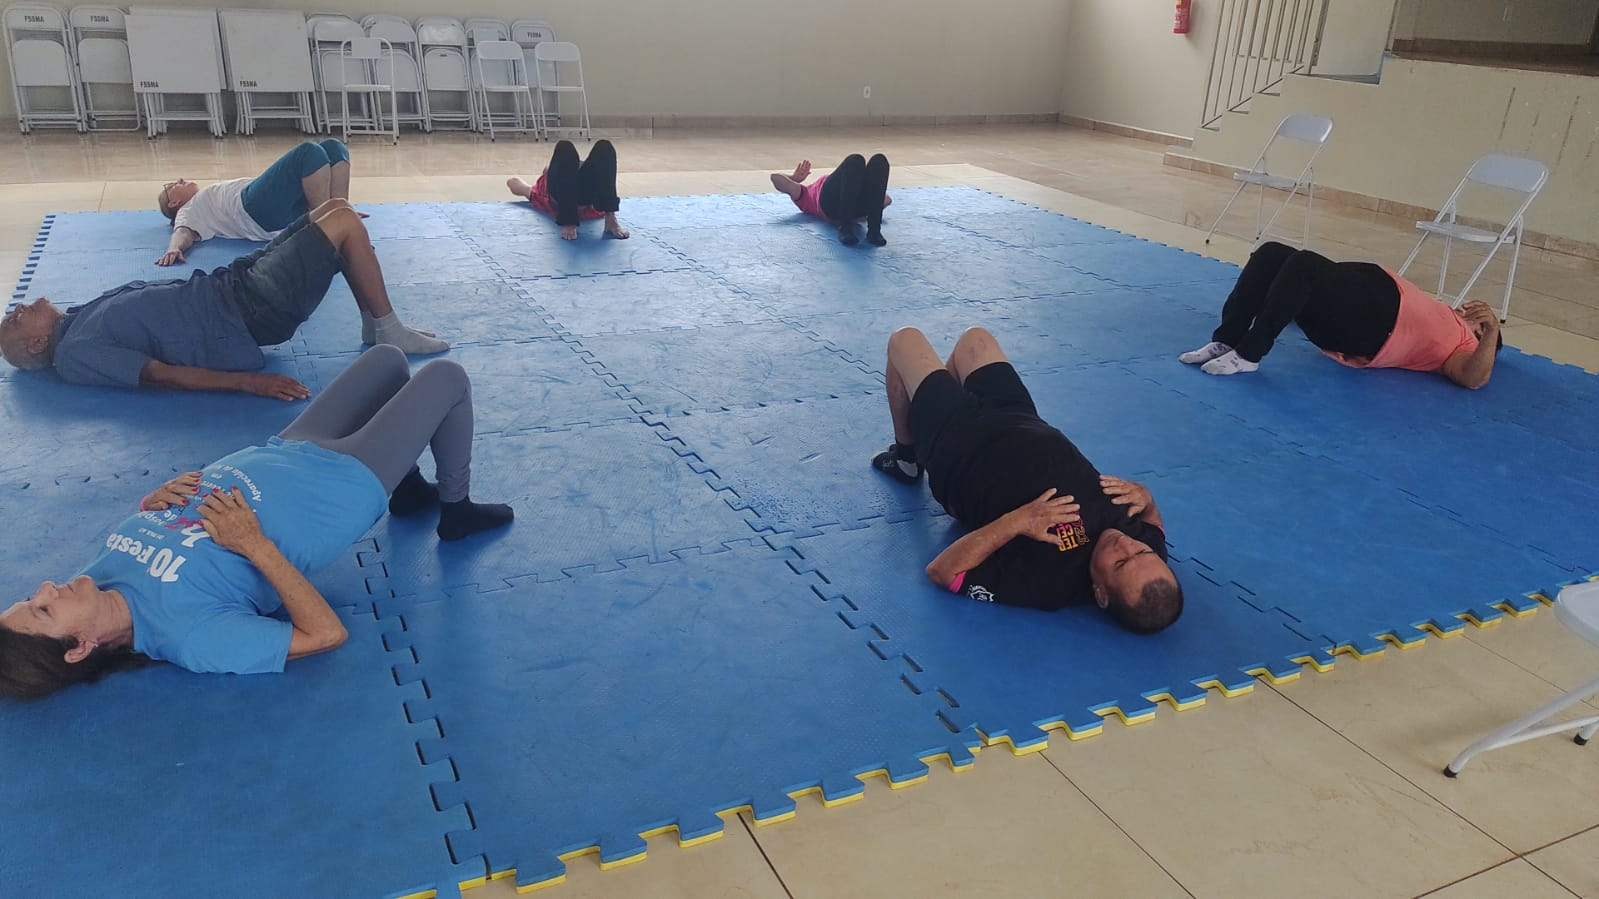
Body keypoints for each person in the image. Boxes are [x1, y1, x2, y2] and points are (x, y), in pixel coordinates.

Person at [0, 344, 515, 700]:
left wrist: (152, 501)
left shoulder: (95, 580)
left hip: (285, 450)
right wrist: (255, 545)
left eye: (29, 597)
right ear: (80, 648)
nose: (46, 588)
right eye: (42, 610)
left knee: (387, 361)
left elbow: (167, 531)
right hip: (336, 489)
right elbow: (325, 635)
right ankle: (456, 511)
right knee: (446, 378)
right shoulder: (190, 636)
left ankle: (409, 489)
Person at [870, 326, 1183, 633]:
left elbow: (943, 572)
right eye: (1142, 551)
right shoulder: (1150, 553)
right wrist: (1146, 498)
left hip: (959, 449)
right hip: (1018, 416)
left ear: (1101, 594)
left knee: (904, 340)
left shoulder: (1050, 583)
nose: (1125, 544)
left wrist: (1018, 521)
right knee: (975, 340)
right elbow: (1154, 523)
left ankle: (906, 460)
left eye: (1120, 562)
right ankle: (943, 398)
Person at [1, 199, 448, 397]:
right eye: (16, 319)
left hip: (229, 284)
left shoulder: (75, 321)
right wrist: (250, 383)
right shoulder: (77, 353)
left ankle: (374, 324)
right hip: (246, 311)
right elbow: (160, 376)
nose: (18, 307)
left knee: (334, 207)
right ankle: (389, 329)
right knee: (344, 225)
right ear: (37, 344)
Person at [1180, 241, 1502, 388]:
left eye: (1477, 320)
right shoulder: (1445, 313)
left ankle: (1249, 355)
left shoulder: (1467, 344)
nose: (1468, 311)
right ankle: (1227, 340)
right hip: (1367, 297)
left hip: (1374, 327)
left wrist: (1491, 331)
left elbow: (1473, 379)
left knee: (1305, 265)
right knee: (1271, 253)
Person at [157, 139, 357, 267]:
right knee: (309, 153)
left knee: (334, 147)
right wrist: (174, 248)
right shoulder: (187, 210)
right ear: (174, 202)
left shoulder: (203, 199)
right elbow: (182, 232)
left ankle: (339, 213)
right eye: (172, 185)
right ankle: (328, 230)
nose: (180, 180)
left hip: (275, 206)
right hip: (252, 208)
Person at [506, 139, 629, 241]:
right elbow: (514, 183)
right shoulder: (543, 193)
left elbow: (512, 182)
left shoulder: (541, 192)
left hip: (581, 192)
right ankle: (570, 221)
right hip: (565, 197)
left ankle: (610, 218)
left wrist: (543, 176)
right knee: (566, 147)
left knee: (603, 146)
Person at [770, 154, 892, 246]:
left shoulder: (849, 182)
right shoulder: (805, 193)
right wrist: (794, 178)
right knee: (855, 160)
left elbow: (887, 200)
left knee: (879, 160)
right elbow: (775, 178)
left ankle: (874, 231)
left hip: (853, 206)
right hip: (830, 205)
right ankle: (845, 227)